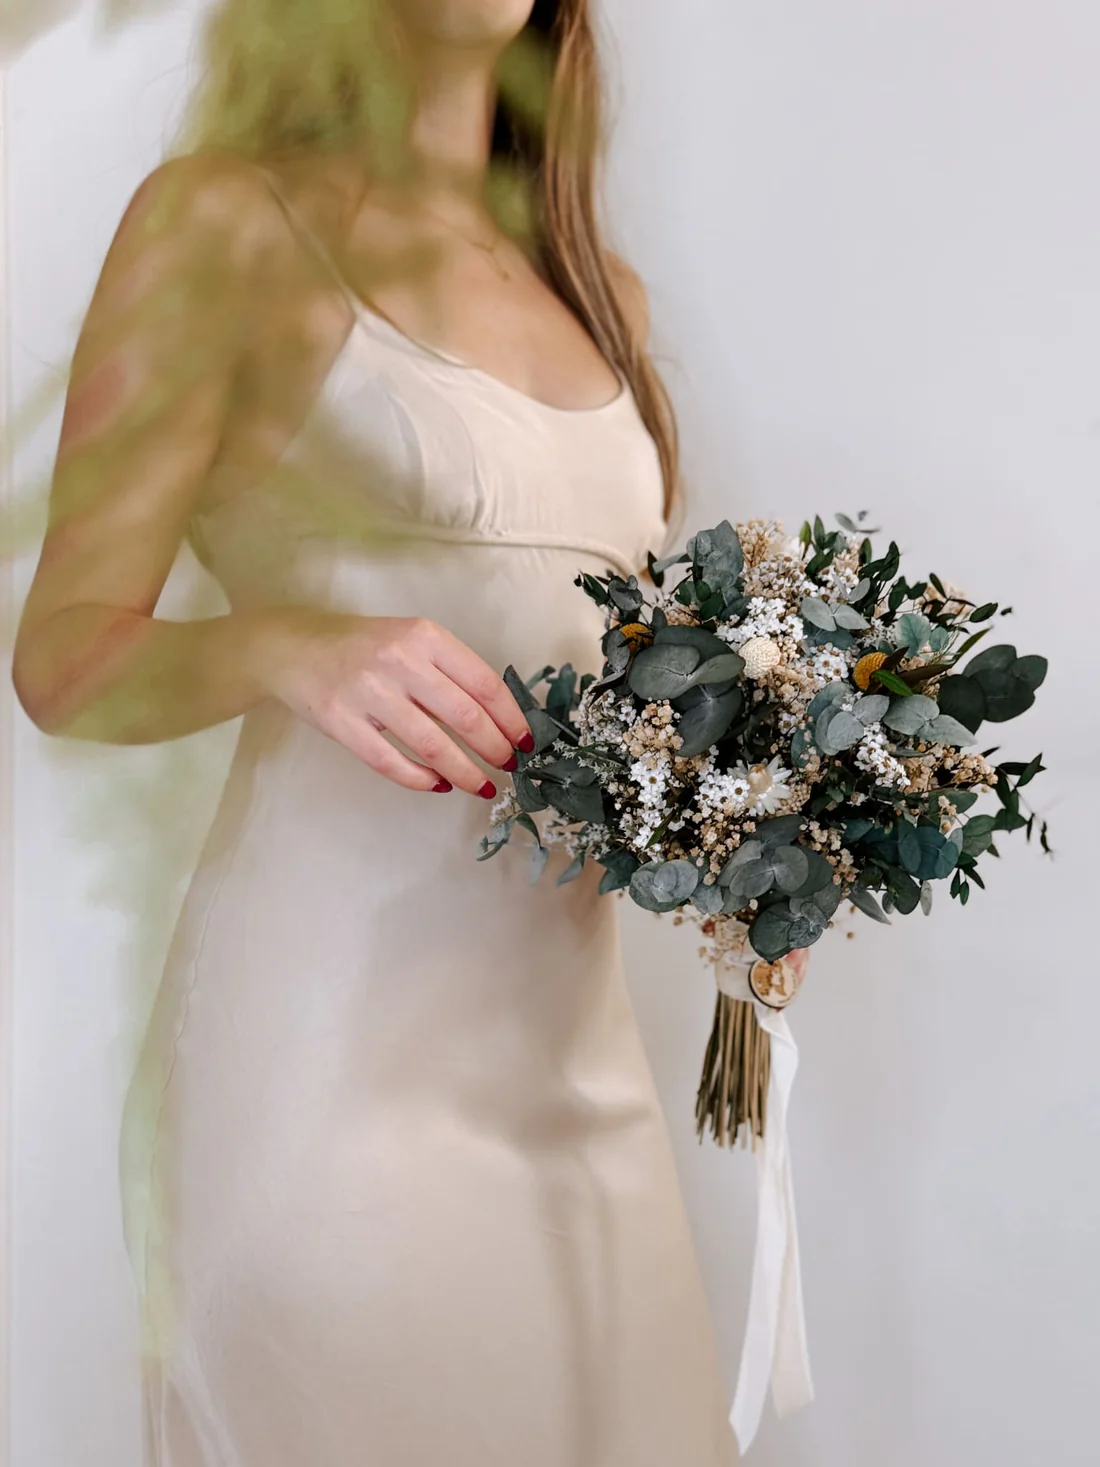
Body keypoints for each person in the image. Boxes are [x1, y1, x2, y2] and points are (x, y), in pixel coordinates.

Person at [12, 2, 739, 1462]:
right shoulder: (223, 223)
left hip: (579, 1074)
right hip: (326, 1068)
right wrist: (285, 642)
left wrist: (766, 819)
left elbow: (614, 693)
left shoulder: (601, 296)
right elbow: (63, 659)